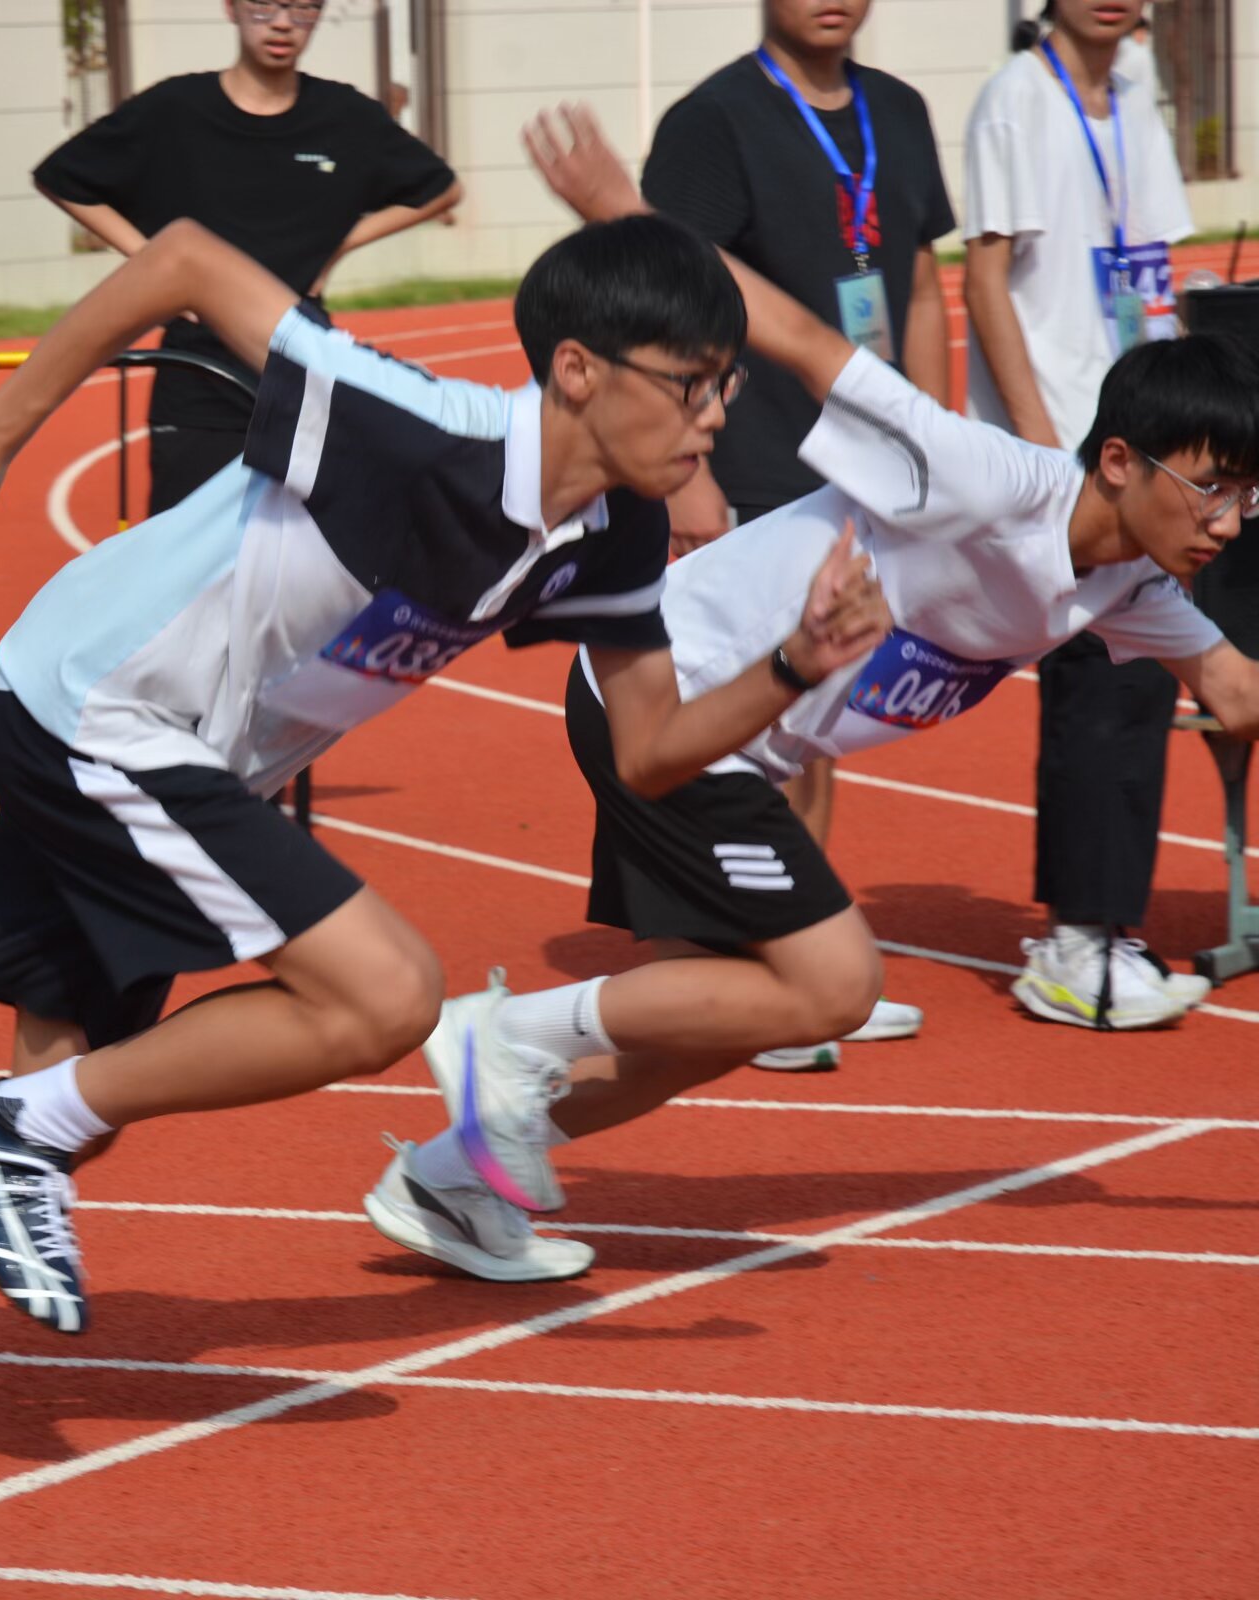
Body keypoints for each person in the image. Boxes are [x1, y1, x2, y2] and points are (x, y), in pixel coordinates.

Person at [0, 209, 890, 1445]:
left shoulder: (611, 529)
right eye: (690, 385)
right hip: (102, 707)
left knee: (59, 1106)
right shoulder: (413, 423)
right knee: (385, 995)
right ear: (577, 369)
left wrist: (795, 664)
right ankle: (16, 1131)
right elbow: (185, 254)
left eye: (725, 388)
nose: (715, 418)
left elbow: (651, 749)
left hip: (166, 753)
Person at [366, 105, 1259, 1286]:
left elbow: (1236, 688)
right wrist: (625, 214)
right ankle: (502, 1036)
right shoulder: (982, 479)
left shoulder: (1133, 580)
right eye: (1211, 488)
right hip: (673, 693)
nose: (1229, 521)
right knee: (832, 985)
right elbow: (793, 333)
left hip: (737, 738)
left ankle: (453, 1173)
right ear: (1119, 462)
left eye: (1250, 496)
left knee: (718, 1024)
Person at [638, 0, 956, 1069]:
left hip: (868, 470)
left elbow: (919, 288)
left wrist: (937, 450)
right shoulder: (714, 120)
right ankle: (751, 970)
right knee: (745, 716)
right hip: (753, 456)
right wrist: (688, 470)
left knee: (816, 719)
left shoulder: (898, 112)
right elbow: (667, 298)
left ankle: (789, 965)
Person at [966, 0, 1208, 1028]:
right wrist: (1044, 449)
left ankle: (1105, 928)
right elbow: (984, 280)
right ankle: (1077, 943)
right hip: (1070, 443)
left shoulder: (1139, 95)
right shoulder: (1017, 99)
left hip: (1145, 437)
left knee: (1138, 677)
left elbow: (1152, 269)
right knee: (1098, 677)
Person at [33, 0, 459, 516]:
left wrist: (340, 245)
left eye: (303, 8)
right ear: (231, 8)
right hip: (197, 382)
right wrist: (158, 266)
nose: (282, 23)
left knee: (300, 554)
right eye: (265, 5)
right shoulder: (174, 109)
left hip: (301, 374)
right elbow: (61, 179)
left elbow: (442, 189)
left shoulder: (345, 115)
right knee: (184, 553)